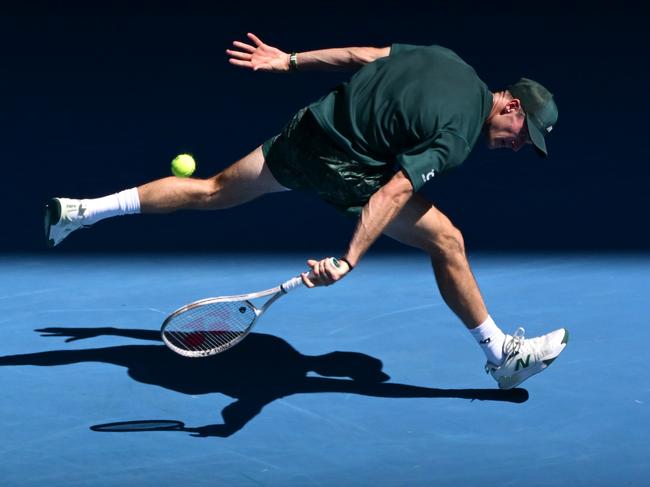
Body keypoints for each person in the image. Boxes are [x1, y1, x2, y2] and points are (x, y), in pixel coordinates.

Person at [45, 33, 568, 390]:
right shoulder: (456, 136)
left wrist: (290, 59)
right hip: (343, 166)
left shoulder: (444, 58)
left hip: (307, 132)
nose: (520, 146)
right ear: (511, 107)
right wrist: (350, 258)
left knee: (210, 189)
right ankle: (502, 357)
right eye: (526, 136)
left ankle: (81, 211)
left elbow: (363, 55)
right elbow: (391, 193)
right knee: (447, 239)